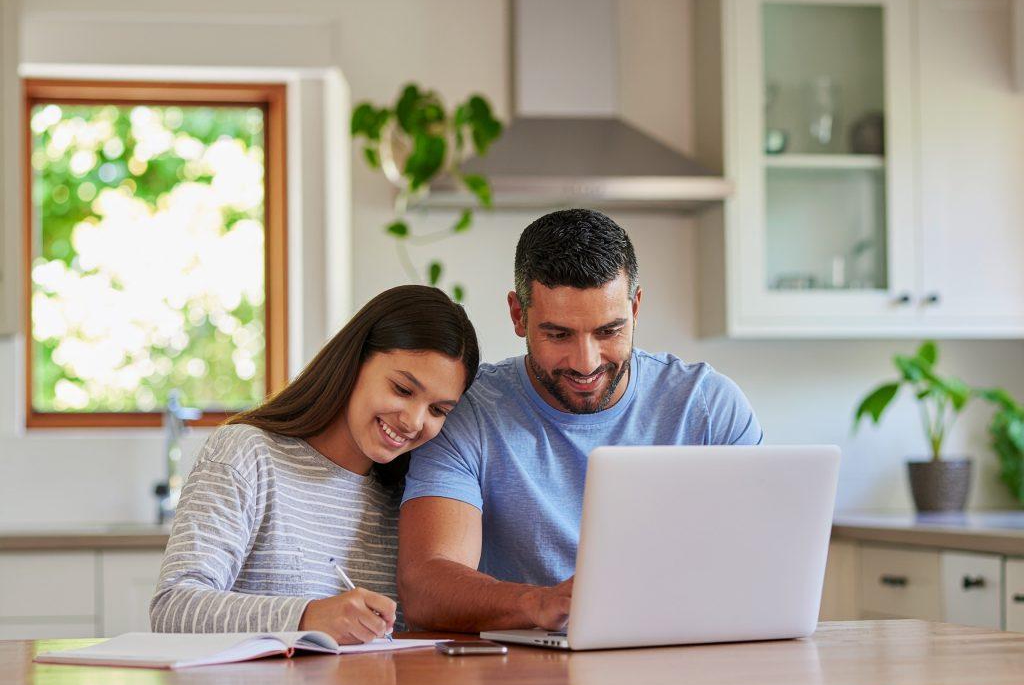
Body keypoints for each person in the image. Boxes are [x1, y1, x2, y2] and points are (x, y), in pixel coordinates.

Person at [398, 209, 763, 632]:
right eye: (558, 335)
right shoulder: (470, 412)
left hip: (682, 655)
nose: (585, 363)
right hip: (520, 675)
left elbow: (759, 565)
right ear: (518, 315)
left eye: (609, 332)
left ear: (636, 307)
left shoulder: (708, 408)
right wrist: (538, 603)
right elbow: (426, 585)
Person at [150, 285, 480, 643]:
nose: (415, 422)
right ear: (355, 361)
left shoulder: (414, 498)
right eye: (402, 389)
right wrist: (307, 616)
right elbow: (173, 607)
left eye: (438, 410)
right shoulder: (248, 454)